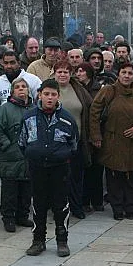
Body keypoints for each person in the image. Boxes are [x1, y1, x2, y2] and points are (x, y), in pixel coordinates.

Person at [20, 78, 79, 257]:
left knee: (60, 205)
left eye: (53, 94)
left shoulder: (67, 119)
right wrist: (34, 154)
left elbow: (74, 144)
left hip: (59, 169)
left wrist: (61, 155)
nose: (50, 98)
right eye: (46, 94)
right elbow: (22, 143)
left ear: (58, 96)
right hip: (37, 168)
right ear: (40, 95)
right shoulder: (29, 117)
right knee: (38, 204)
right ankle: (38, 240)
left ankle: (62, 241)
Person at [89, 61, 133, 220]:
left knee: (132, 178)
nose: (126, 76)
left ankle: (130, 207)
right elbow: (94, 113)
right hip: (113, 142)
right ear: (118, 74)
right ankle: (117, 208)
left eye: (130, 73)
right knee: (114, 178)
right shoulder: (108, 92)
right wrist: (96, 136)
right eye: (124, 73)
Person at [52, 57, 93, 220]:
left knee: (76, 176)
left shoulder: (78, 88)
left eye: (66, 72)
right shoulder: (49, 89)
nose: (62, 75)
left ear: (71, 74)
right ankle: (58, 208)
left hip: (76, 141)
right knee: (57, 178)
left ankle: (76, 207)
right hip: (55, 143)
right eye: (59, 72)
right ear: (54, 74)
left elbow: (90, 107)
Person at [0, 77, 32, 233]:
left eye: (24, 86)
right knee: (9, 192)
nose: (21, 89)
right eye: (18, 87)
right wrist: (7, 145)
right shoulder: (5, 109)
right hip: (10, 158)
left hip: (28, 158)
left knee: (26, 191)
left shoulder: (33, 108)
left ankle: (23, 215)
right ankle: (8, 218)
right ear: (12, 91)